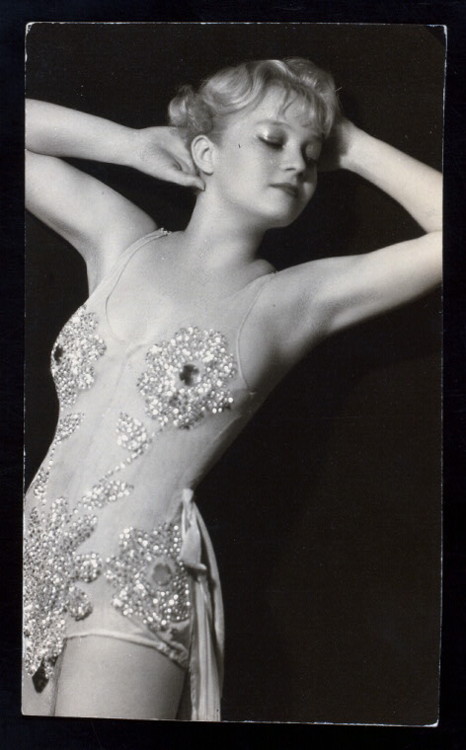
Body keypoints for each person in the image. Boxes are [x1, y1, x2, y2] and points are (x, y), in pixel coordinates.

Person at [23, 58, 442, 721]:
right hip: (30, 562)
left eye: (312, 152)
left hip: (133, 586)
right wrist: (130, 145)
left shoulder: (287, 300)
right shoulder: (121, 240)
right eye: (273, 139)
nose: (298, 163)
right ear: (204, 152)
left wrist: (352, 145)